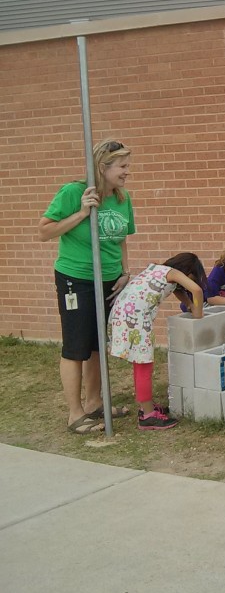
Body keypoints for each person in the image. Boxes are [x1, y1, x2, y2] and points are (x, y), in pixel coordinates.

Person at [39, 139, 136, 434]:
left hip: (109, 279)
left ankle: (95, 403)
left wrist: (124, 270)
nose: (126, 172)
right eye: (122, 166)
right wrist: (81, 213)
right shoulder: (73, 192)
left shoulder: (122, 198)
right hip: (76, 278)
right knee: (76, 346)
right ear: (103, 167)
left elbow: (122, 239)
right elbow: (44, 231)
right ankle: (75, 414)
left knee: (96, 345)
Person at [108, 253, 207, 430]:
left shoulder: (157, 270)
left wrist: (190, 305)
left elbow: (178, 290)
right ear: (187, 271)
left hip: (124, 314)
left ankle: (146, 406)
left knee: (141, 364)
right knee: (144, 365)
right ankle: (148, 416)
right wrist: (199, 314)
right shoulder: (173, 272)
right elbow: (196, 290)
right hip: (135, 320)